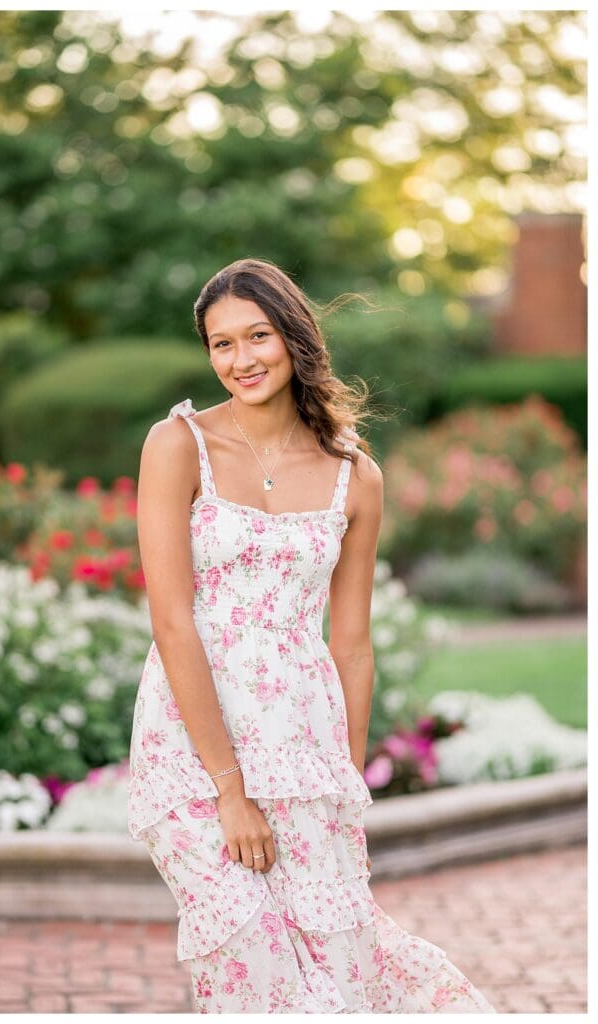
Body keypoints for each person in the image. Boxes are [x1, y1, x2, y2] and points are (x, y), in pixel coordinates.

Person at [128, 258, 496, 1013]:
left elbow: (352, 644)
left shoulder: (353, 476)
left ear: (293, 338)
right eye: (220, 343)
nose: (240, 360)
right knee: (249, 954)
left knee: (337, 960)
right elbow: (172, 622)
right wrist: (229, 790)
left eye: (257, 336)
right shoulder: (177, 446)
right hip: (190, 744)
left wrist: (345, 783)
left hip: (305, 740)